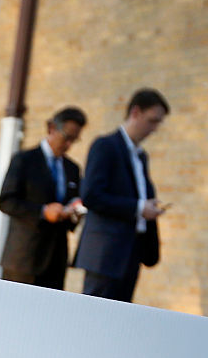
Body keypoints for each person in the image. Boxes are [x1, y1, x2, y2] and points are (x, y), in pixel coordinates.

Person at [73, 88, 170, 302]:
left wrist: (149, 207)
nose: (154, 129)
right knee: (93, 321)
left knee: (119, 325)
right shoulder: (105, 146)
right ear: (135, 112)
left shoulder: (141, 156)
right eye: (152, 121)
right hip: (105, 254)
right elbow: (91, 195)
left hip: (131, 253)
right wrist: (139, 207)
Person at [0, 107, 87, 289]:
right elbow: (6, 201)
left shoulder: (72, 168)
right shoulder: (24, 160)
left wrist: (75, 213)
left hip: (56, 260)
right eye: (67, 137)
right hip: (24, 259)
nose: (69, 145)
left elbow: (74, 206)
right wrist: (43, 212)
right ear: (52, 128)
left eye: (74, 140)